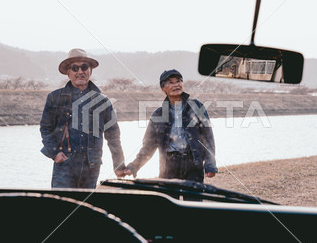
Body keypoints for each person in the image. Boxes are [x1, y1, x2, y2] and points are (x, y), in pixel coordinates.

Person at [40, 48, 125, 188]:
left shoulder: (103, 101)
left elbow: (113, 136)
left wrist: (119, 165)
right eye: (74, 68)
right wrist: (55, 153)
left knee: (85, 207)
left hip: (92, 165)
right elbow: (45, 128)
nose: (80, 72)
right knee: (62, 206)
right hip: (64, 164)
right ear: (68, 73)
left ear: (90, 71)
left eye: (84, 67)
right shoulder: (54, 98)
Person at [123, 69, 217, 182]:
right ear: (163, 89)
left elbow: (208, 137)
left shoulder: (196, 106)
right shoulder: (158, 114)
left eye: (178, 81)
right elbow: (148, 146)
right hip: (169, 166)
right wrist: (133, 167)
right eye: (170, 82)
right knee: (168, 199)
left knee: (193, 199)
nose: (176, 85)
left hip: (193, 163)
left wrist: (210, 165)